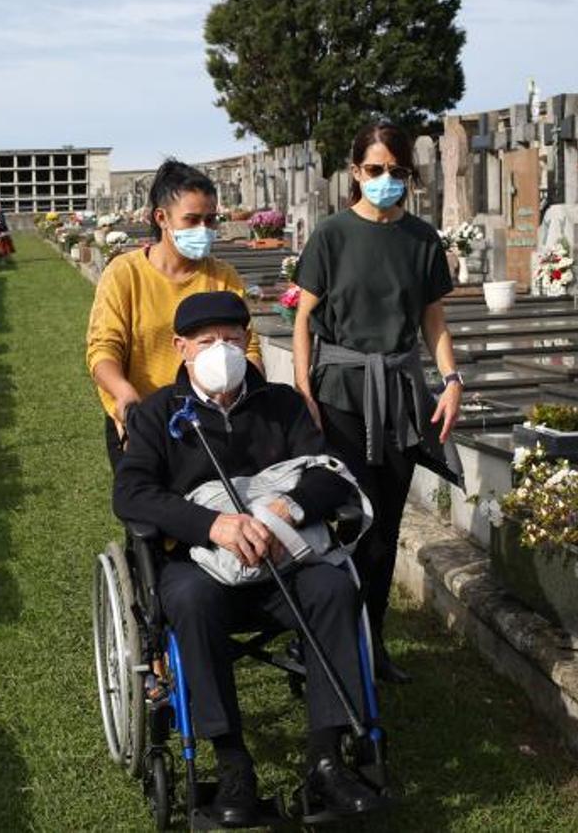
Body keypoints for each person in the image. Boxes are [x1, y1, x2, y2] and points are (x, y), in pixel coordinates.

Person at [114, 291, 385, 825]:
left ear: (248, 343)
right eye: (208, 342)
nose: (223, 351)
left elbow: (328, 474)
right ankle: (232, 761)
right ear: (181, 348)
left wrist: (288, 506)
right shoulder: (155, 415)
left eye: (233, 340)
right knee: (189, 600)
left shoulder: (281, 404)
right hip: (202, 565)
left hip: (283, 561)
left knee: (333, 588)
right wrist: (213, 524)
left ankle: (327, 759)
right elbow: (132, 496)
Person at [292, 121, 464, 685]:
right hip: (340, 395)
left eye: (396, 172)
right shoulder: (331, 236)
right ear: (354, 171)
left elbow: (431, 319)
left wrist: (452, 380)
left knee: (385, 527)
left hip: (397, 394)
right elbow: (302, 323)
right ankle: (323, 640)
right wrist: (305, 393)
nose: (385, 180)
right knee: (343, 520)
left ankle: (373, 640)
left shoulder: (421, 240)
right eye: (374, 170)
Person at [86, 159, 261, 471]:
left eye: (211, 220)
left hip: (214, 419)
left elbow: (248, 347)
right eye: (192, 220)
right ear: (161, 218)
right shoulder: (125, 274)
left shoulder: (224, 276)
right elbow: (103, 349)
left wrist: (249, 396)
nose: (204, 230)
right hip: (144, 420)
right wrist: (125, 396)